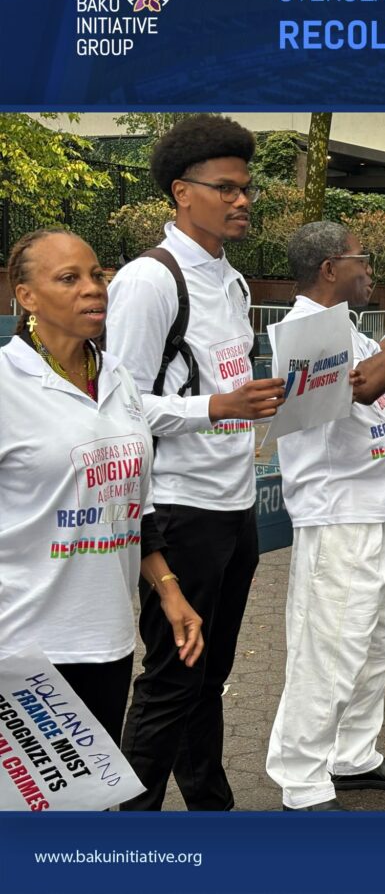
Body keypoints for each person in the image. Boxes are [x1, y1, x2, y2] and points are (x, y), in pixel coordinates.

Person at [106, 115, 286, 811]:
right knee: (171, 680)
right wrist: (217, 407)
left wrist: (259, 401)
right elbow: (118, 408)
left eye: (246, 189)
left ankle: (212, 807)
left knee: (209, 674)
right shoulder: (150, 281)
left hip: (234, 505)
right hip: (179, 508)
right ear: (182, 192)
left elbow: (224, 387)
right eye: (226, 189)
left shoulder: (232, 281)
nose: (242, 201)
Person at [266, 221, 385, 811]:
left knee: (377, 644)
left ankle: (351, 755)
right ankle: (302, 780)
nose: (370, 269)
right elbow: (362, 388)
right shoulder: (305, 332)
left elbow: (379, 409)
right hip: (339, 516)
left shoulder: (348, 331)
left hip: (381, 507)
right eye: (361, 258)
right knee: (330, 651)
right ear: (330, 268)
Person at [0, 230, 203, 755]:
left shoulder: (118, 378)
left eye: (96, 274)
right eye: (69, 278)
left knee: (90, 794)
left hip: (106, 639)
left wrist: (169, 589)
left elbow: (133, 504)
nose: (93, 288)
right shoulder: (5, 385)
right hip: (21, 646)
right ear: (26, 296)